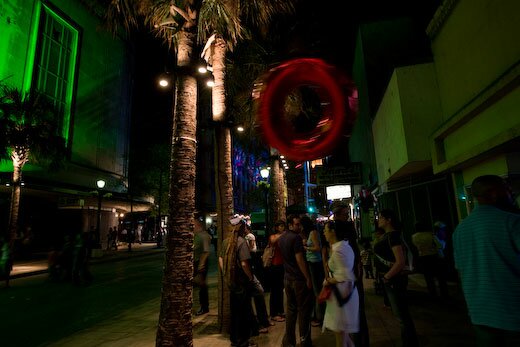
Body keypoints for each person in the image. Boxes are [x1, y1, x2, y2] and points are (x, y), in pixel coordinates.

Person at [453, 175, 520, 346]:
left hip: (480, 313)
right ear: (494, 193)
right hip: (514, 314)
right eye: (507, 189)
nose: (511, 193)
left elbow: (461, 272)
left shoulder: (460, 230)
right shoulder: (511, 222)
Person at [374, 209, 419, 347]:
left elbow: (400, 261)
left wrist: (387, 277)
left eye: (381, 217)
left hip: (394, 280)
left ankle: (409, 342)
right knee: (400, 313)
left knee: (402, 315)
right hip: (391, 279)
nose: (379, 219)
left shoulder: (393, 236)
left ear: (389, 220)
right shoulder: (389, 236)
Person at [333, 205, 369, 347]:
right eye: (345, 214)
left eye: (347, 213)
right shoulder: (345, 228)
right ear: (337, 215)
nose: (347, 216)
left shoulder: (345, 228)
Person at [219, 218, 257, 347]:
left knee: (235, 312)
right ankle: (243, 341)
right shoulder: (241, 242)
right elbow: (244, 263)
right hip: (241, 281)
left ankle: (235, 340)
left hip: (232, 282)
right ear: (240, 228)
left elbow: (220, 258)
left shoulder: (225, 242)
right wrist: (250, 278)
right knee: (243, 312)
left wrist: (225, 273)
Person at [322, 221, 360, 347]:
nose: (324, 233)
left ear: (333, 231)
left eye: (326, 230)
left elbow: (345, 276)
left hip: (341, 295)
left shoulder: (339, 250)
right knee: (343, 334)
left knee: (340, 336)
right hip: (343, 294)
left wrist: (328, 281)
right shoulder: (343, 246)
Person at [278, 214, 313, 347]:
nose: (299, 226)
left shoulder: (282, 238)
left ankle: (289, 341)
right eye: (297, 224)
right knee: (304, 311)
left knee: (291, 311)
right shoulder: (296, 238)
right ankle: (305, 341)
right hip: (298, 279)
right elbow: (299, 259)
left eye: (300, 224)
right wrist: (307, 277)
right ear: (290, 225)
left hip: (287, 278)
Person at [244, 224, 272, 333]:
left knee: (257, 293)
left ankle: (261, 322)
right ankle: (260, 323)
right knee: (257, 293)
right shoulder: (243, 239)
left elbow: (251, 249)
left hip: (250, 267)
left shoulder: (248, 236)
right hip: (248, 269)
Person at [411, 221, 448, 299]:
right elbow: (439, 245)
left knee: (428, 277)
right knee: (440, 276)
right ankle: (444, 294)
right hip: (433, 256)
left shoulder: (414, 237)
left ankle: (433, 294)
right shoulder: (430, 234)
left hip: (423, 257)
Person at [301, 215, 325, 327]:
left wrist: (306, 248)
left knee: (317, 290)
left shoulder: (313, 232)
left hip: (315, 263)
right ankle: (319, 315)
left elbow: (317, 248)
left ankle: (319, 317)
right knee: (315, 290)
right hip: (312, 262)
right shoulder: (309, 233)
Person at [193, 213, 211, 316]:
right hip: (197, 263)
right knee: (200, 285)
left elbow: (206, 251)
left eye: (194, 225)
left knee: (202, 285)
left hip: (201, 263)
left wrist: (201, 265)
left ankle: (204, 307)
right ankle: (202, 306)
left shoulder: (203, 236)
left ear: (198, 225)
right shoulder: (197, 236)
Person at [269, 220, 286, 323]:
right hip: (275, 265)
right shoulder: (273, 236)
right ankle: (274, 313)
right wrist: (283, 234)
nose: (282, 228)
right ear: (276, 227)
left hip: (282, 265)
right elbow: (273, 241)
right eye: (280, 226)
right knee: (275, 290)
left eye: (283, 226)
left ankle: (280, 311)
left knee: (280, 290)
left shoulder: (284, 236)